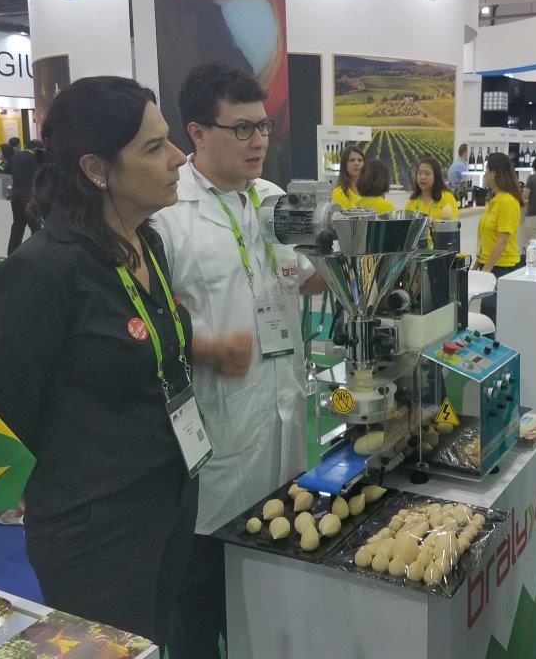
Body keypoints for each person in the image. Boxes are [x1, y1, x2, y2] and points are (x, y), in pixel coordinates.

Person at [0, 77, 196, 647]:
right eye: (155, 147)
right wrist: (19, 495)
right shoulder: (42, 272)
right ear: (97, 169)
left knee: (161, 639)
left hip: (168, 494)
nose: (179, 158)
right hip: (95, 525)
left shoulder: (146, 243)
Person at [153, 62, 326, 658]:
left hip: (282, 419)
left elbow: (310, 278)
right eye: (243, 128)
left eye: (264, 126)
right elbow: (144, 324)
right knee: (200, 601)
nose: (259, 141)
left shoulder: (274, 200)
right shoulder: (168, 214)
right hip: (214, 434)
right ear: (198, 132)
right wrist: (206, 347)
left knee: (272, 593)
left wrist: (343, 251)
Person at [476, 152, 523, 325]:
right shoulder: (495, 200)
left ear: (494, 173)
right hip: (489, 265)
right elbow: (487, 237)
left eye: (486, 170)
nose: (484, 174)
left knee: (492, 315)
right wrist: (478, 264)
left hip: (501, 268)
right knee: (487, 313)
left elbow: (502, 241)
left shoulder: (507, 202)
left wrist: (485, 273)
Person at [7, 141, 42, 254]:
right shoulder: (34, 159)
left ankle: (12, 253)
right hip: (29, 197)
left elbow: (7, 170)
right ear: (36, 149)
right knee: (36, 228)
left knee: (18, 225)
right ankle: (35, 252)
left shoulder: (15, 157)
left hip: (16, 196)